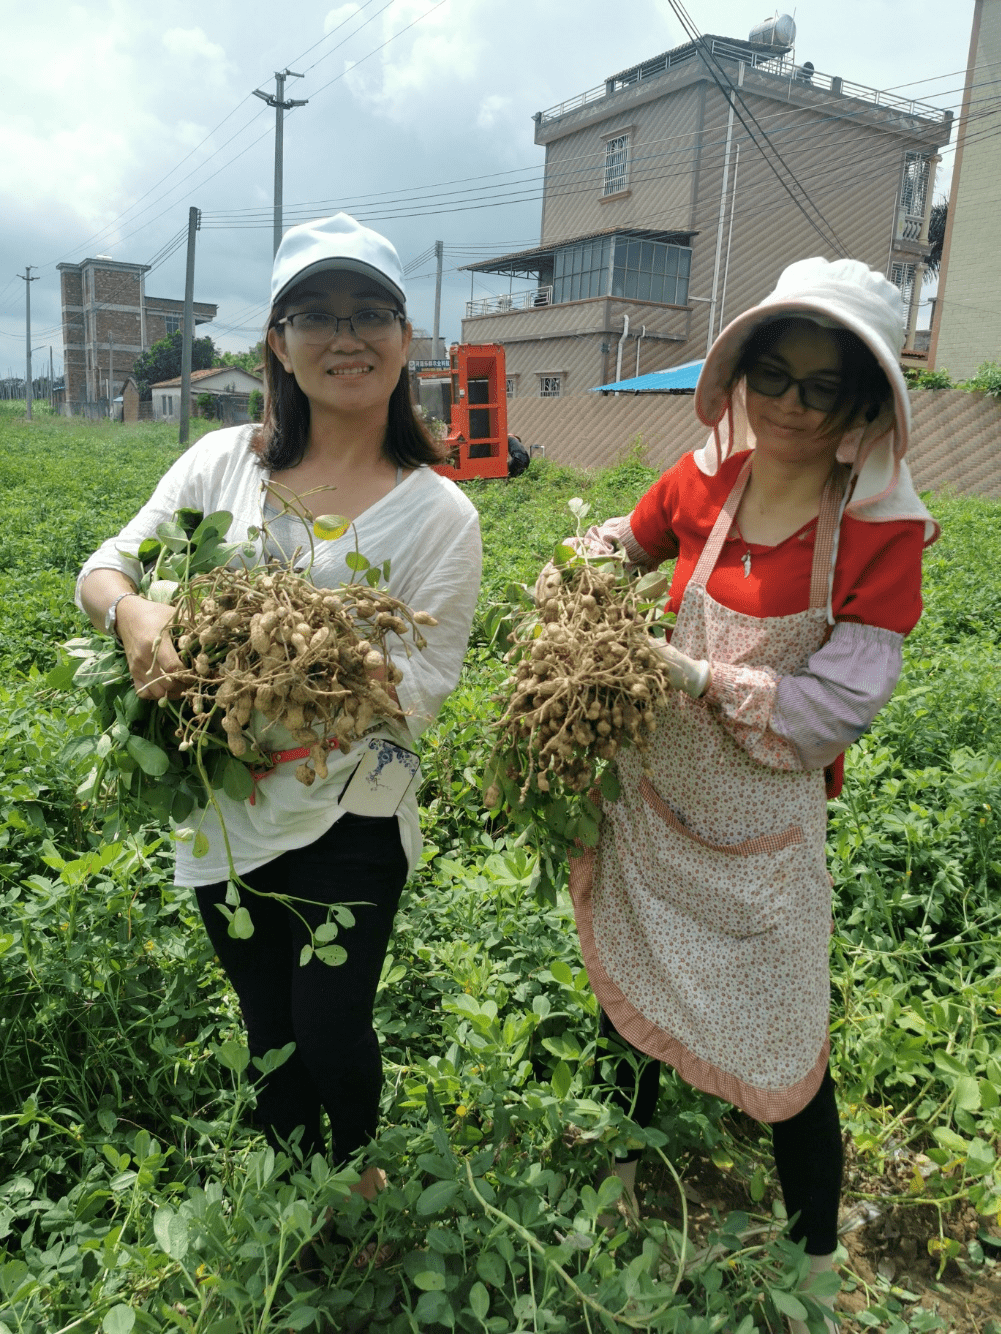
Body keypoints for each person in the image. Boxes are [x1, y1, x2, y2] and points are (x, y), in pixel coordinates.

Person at [557, 258, 938, 1332]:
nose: (788, 405)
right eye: (773, 374)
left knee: (786, 1049)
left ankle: (813, 1256)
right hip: (649, 804)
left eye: (822, 388)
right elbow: (621, 547)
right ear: (740, 375)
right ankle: (621, 1173)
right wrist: (574, 573)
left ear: (862, 405)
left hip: (762, 834)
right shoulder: (701, 480)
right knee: (625, 990)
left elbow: (834, 709)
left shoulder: (879, 531)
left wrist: (696, 676)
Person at [77, 214, 482, 1200]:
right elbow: (103, 568)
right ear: (277, 341)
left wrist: (301, 659)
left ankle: (354, 1169)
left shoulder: (439, 513)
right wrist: (134, 616)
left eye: (368, 313)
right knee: (265, 1019)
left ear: (405, 339)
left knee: (331, 1017)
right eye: (314, 314)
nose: (344, 336)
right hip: (222, 804)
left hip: (354, 804)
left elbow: (419, 694)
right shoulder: (225, 465)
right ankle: (295, 1180)